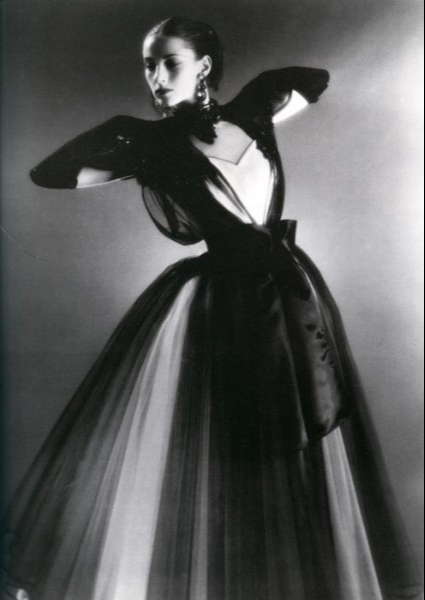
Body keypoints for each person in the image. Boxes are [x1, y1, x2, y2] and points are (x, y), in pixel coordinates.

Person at [1, 16, 422, 600]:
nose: (154, 77)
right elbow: (48, 173)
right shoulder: (152, 145)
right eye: (147, 65)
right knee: (222, 445)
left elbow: (311, 79)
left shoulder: (255, 113)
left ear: (203, 65)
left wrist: (250, 104)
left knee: (302, 431)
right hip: (218, 308)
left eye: (168, 62)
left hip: (289, 294)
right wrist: (129, 145)